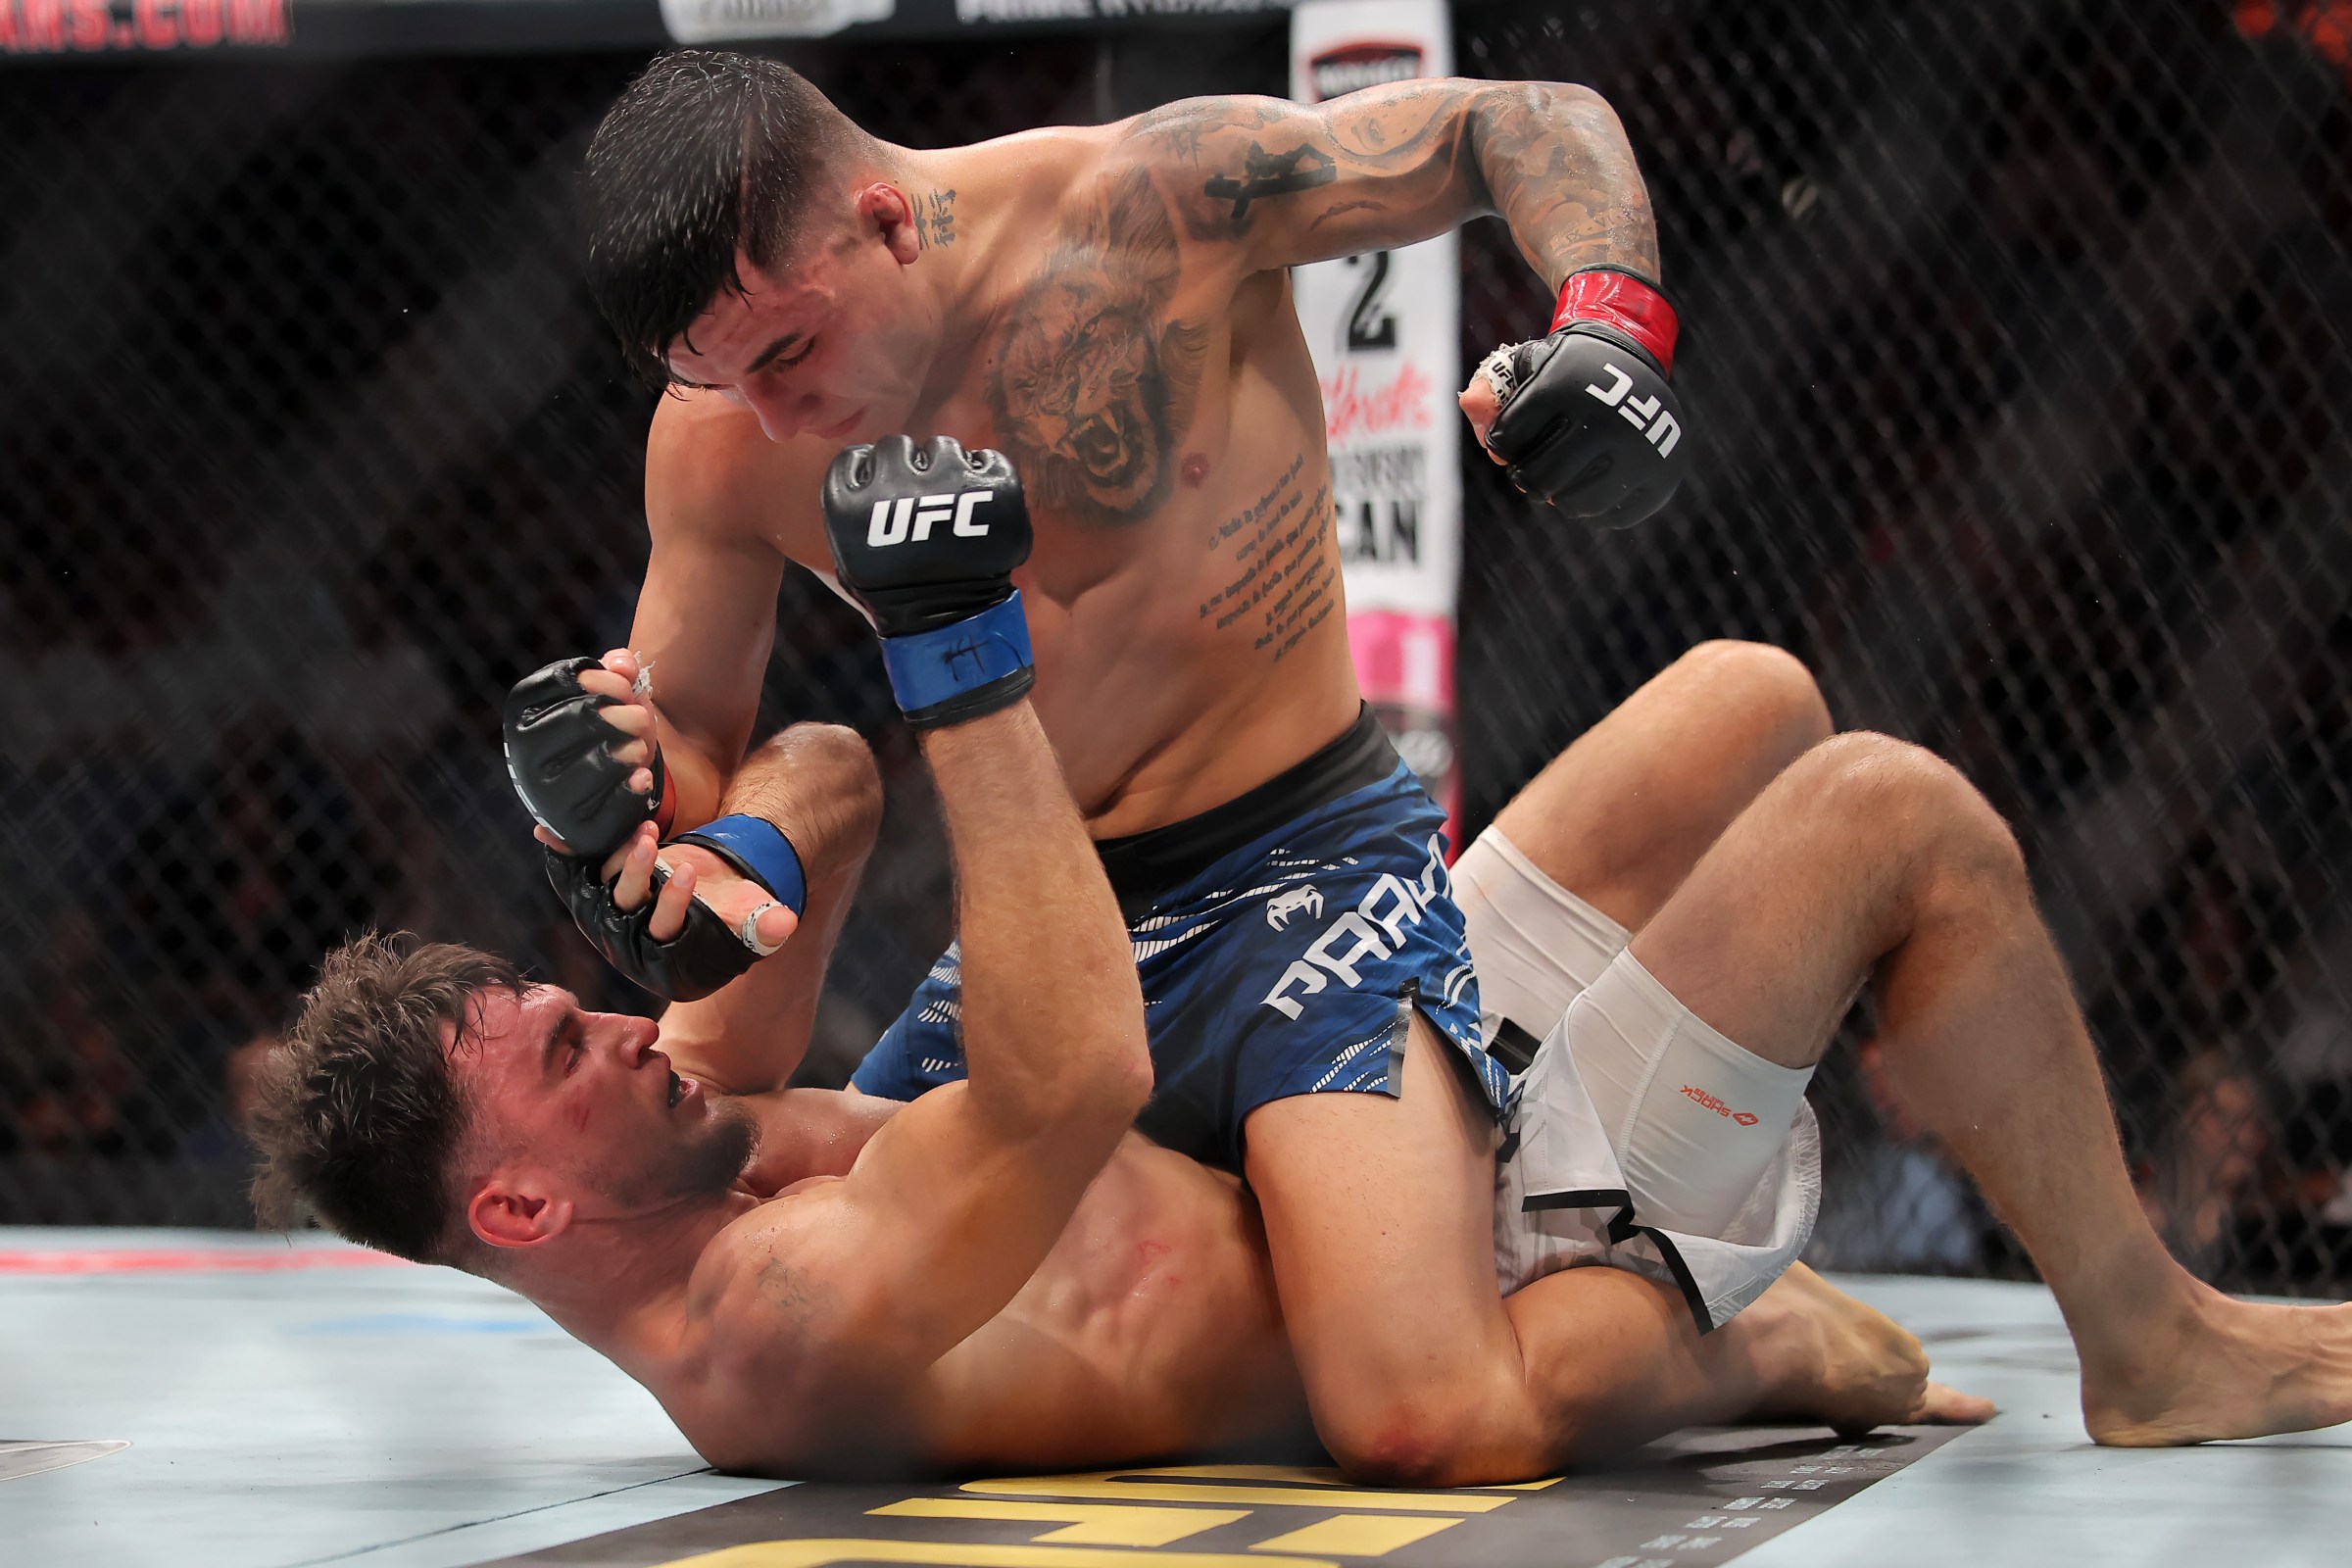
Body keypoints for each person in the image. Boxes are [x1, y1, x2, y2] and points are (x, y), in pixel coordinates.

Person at [505, 47, 1695, 1479]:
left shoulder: (1154, 208)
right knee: (755, 1233)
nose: (770, 419)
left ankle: (1744, 1332)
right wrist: (612, 798)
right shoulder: (716, 440)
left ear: (885, 221)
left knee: (1418, 1417)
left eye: (785, 355)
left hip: (1302, 869)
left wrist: (1612, 322)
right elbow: (695, 742)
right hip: (1045, 931)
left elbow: (1523, 121)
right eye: (713, 377)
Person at [260, 641, 1977, 1478]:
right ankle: (1744, 1335)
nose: (630, 1025)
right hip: (1469, 1295)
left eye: (586, 1005)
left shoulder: (690, 1141)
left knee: (1752, 698)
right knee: (1858, 821)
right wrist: (966, 673)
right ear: (521, 1207)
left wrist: (732, 864)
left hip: (1348, 1129)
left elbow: (831, 768)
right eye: (574, 1047)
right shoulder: (777, 1317)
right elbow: (1077, 1072)